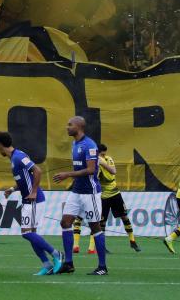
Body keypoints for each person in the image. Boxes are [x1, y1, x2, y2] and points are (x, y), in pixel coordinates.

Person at [0, 132, 62, 275]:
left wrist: (34, 192)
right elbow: (25, 179)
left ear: (0, 146)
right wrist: (12, 189)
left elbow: (37, 170)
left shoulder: (19, 157)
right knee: (31, 234)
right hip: (28, 200)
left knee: (26, 233)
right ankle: (47, 264)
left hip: (34, 200)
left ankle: (56, 254)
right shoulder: (15, 157)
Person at [52, 116, 108, 276]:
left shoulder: (89, 145)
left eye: (70, 125)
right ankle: (69, 263)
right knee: (65, 222)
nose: (67, 127)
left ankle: (102, 266)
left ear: (79, 127)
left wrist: (68, 174)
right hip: (76, 191)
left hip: (90, 193)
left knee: (95, 227)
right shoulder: (75, 143)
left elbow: (91, 170)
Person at [75, 144, 140, 253]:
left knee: (124, 217)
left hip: (115, 193)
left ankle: (132, 241)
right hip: (103, 196)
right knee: (101, 222)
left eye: (105, 154)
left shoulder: (107, 160)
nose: (104, 156)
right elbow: (94, 178)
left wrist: (102, 163)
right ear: (97, 153)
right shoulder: (93, 163)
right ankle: (101, 246)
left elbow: (112, 173)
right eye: (101, 154)